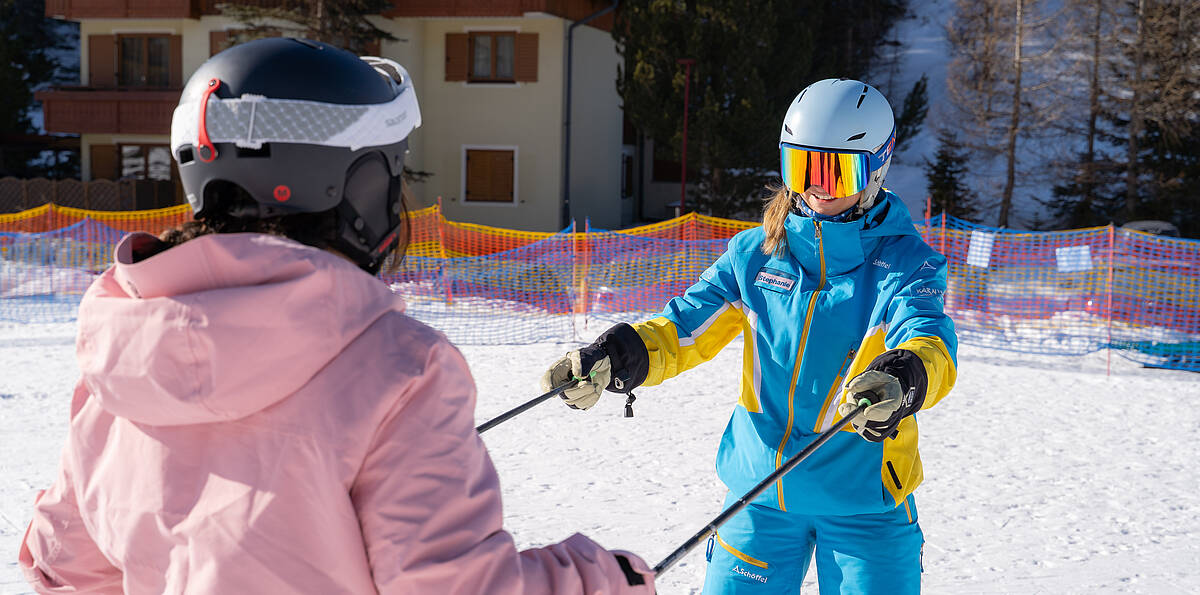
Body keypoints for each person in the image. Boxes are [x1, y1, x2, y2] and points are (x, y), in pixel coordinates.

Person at [18, 38, 653, 594]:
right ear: (356, 188)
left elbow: (67, 569)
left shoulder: (123, 352)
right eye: (391, 173)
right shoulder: (400, 370)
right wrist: (602, 581)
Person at [541, 78, 957, 593]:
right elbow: (683, 328)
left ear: (878, 165)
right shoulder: (754, 256)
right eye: (802, 167)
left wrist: (907, 374)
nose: (817, 188)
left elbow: (929, 339)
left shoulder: (905, 266)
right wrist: (619, 354)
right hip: (760, 499)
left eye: (835, 171)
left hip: (864, 504)